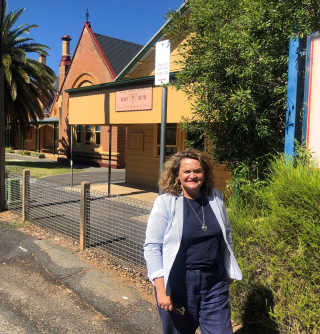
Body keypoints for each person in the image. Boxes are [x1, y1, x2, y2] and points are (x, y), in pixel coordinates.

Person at [144, 149, 242, 334]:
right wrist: (161, 289)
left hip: (214, 282)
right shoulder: (165, 202)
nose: (192, 175)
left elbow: (226, 235)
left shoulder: (216, 198)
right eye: (187, 171)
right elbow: (152, 247)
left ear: (204, 174)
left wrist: (228, 268)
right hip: (179, 282)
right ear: (177, 175)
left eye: (197, 171)